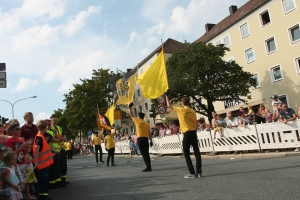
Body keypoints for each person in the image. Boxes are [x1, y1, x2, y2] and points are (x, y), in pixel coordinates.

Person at [166, 95, 202, 178]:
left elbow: (169, 105)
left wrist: (167, 96)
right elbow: (195, 123)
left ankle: (192, 173)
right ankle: (199, 172)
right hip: (193, 132)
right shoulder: (193, 111)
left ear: (182, 103)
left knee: (186, 153)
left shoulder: (181, 110)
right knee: (197, 153)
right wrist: (195, 132)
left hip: (186, 133)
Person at [5, 122, 31, 192]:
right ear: (11, 131)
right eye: (16, 129)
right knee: (19, 181)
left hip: (23, 163)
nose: (19, 131)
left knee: (24, 181)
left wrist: (26, 147)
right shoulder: (9, 141)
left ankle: (22, 195)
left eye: (19, 129)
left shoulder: (20, 140)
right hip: (16, 164)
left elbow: (24, 153)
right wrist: (22, 147)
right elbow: (10, 154)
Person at [128, 103, 153, 172]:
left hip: (140, 139)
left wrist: (129, 108)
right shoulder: (147, 124)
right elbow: (149, 134)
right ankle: (149, 166)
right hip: (146, 139)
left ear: (139, 117)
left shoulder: (137, 121)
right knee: (147, 153)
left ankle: (148, 167)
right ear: (144, 117)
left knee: (144, 153)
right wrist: (151, 141)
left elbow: (131, 115)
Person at [33, 120, 54, 200]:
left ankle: (43, 196)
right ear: (45, 128)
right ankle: (42, 197)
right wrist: (37, 162)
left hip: (42, 164)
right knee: (43, 181)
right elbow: (37, 148)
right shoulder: (40, 137)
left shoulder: (40, 136)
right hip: (42, 165)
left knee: (43, 181)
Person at [46, 119, 66, 190]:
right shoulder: (47, 132)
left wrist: (56, 134)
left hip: (56, 151)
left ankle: (57, 181)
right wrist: (59, 138)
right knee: (52, 169)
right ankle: (52, 183)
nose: (49, 124)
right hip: (50, 152)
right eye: (47, 123)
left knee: (57, 168)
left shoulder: (53, 131)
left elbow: (58, 139)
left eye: (49, 122)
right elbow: (57, 140)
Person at [50, 115, 69, 184]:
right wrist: (62, 139)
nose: (55, 120)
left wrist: (63, 138)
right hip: (55, 150)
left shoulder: (59, 128)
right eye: (53, 119)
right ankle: (58, 181)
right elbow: (56, 138)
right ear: (51, 120)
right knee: (57, 166)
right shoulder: (50, 128)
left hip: (62, 148)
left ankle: (63, 179)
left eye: (56, 119)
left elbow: (64, 136)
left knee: (63, 165)